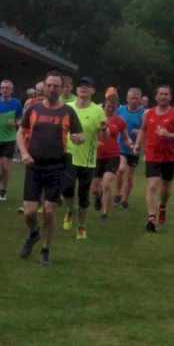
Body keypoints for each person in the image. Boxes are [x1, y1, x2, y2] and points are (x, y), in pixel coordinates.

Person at [17, 71, 84, 266]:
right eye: (49, 85)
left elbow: (79, 135)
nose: (52, 89)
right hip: (34, 165)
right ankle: (34, 234)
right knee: (29, 212)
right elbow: (21, 134)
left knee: (49, 211)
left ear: (63, 88)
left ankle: (46, 249)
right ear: (44, 87)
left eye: (56, 86)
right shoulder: (33, 109)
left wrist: (78, 138)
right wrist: (24, 153)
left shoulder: (68, 112)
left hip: (56, 167)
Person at [134, 84, 174, 232]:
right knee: (152, 186)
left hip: (169, 157)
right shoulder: (148, 113)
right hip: (152, 155)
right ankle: (151, 218)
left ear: (170, 97)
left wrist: (169, 135)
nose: (163, 96)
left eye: (166, 94)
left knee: (165, 189)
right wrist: (137, 144)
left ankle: (162, 206)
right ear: (156, 96)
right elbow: (143, 130)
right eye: (161, 94)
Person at [63, 76, 106, 239]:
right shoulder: (67, 108)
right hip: (68, 156)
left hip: (87, 159)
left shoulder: (98, 111)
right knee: (66, 189)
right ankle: (69, 210)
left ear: (93, 90)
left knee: (83, 196)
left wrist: (104, 129)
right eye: (81, 85)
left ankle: (81, 227)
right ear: (76, 89)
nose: (83, 88)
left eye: (87, 86)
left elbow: (105, 136)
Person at [0, 79, 22, 201]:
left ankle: (3, 191)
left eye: (7, 88)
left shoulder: (16, 103)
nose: (4, 90)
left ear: (11, 90)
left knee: (6, 167)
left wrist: (16, 123)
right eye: (2, 88)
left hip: (9, 138)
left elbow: (20, 119)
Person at [115, 88, 145, 210]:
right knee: (121, 170)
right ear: (127, 99)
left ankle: (125, 200)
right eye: (131, 98)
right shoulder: (120, 110)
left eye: (136, 99)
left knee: (130, 177)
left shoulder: (144, 113)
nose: (133, 101)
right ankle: (117, 193)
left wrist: (140, 133)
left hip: (134, 149)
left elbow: (147, 131)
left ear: (140, 100)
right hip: (121, 146)